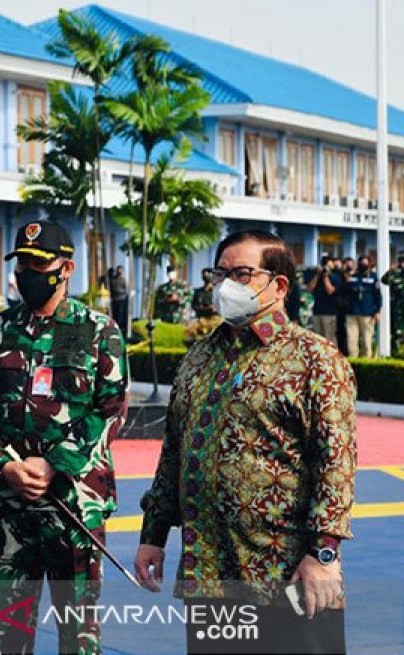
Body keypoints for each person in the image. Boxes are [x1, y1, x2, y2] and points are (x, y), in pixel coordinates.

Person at [135, 230, 356, 654]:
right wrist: (154, 535)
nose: (226, 285)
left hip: (289, 577)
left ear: (279, 286)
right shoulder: (199, 358)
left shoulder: (315, 360)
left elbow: (336, 465)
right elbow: (174, 455)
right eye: (219, 274)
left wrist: (324, 556)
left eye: (241, 273)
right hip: (210, 577)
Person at [0, 220, 128, 655]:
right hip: (9, 509)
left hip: (73, 507)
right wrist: (3, 466)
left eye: (39, 263)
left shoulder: (98, 331)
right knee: (9, 637)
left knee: (78, 638)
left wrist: (54, 465)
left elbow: (110, 409)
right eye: (22, 264)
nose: (27, 273)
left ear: (66, 268)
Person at [341, 255, 380, 358]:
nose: (363, 266)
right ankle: (354, 363)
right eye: (361, 263)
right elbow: (344, 292)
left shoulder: (373, 277)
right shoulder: (352, 276)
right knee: (352, 341)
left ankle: (367, 363)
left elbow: (378, 296)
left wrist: (377, 311)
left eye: (365, 264)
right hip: (352, 312)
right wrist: (347, 278)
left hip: (367, 313)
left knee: (367, 341)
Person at [306, 255, 341, 346]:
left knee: (329, 339)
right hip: (317, 311)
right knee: (317, 338)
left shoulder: (335, 277)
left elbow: (330, 291)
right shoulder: (317, 277)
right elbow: (309, 289)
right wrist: (318, 275)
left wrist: (326, 277)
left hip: (329, 312)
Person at [382, 255, 404, 354]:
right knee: (396, 334)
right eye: (402, 262)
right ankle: (395, 354)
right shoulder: (396, 275)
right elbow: (384, 281)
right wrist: (390, 271)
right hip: (397, 310)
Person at [105, 265, 129, 337]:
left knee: (121, 315)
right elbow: (111, 288)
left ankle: (121, 329)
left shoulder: (123, 280)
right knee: (115, 315)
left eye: (121, 270)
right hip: (115, 299)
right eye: (119, 270)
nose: (119, 271)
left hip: (122, 299)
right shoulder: (113, 280)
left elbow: (126, 290)